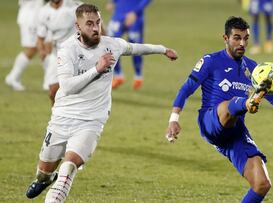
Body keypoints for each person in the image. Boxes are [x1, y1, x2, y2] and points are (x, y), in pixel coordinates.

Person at [25, 4, 178, 202]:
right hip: (62, 119)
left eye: (98, 22)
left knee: (69, 167)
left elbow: (135, 48)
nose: (95, 28)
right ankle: (45, 179)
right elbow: (68, 86)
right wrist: (96, 69)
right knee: (44, 172)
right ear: (77, 26)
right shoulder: (67, 49)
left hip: (91, 121)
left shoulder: (111, 45)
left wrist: (163, 50)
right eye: (89, 24)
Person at [165, 16, 273, 202]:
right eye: (237, 38)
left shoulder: (253, 68)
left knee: (262, 184)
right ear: (225, 38)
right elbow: (186, 88)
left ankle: (250, 102)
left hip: (234, 131)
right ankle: (248, 103)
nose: (242, 43)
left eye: (246, 38)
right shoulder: (210, 61)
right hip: (211, 120)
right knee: (233, 103)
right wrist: (174, 118)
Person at [37, 0, 81, 105]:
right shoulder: (44, 11)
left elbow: (96, 24)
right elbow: (40, 38)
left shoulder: (75, 7)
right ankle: (57, 119)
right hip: (57, 54)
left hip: (76, 54)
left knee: (76, 93)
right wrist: (42, 50)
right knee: (53, 92)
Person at [106, 0, 152, 90]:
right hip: (119, 14)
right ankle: (118, 75)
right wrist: (112, 1)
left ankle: (138, 76)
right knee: (110, 43)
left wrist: (135, 12)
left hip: (135, 16)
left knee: (135, 46)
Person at [5, 0, 45, 91]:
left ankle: (13, 77)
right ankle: (13, 77)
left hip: (35, 14)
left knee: (42, 46)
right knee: (33, 48)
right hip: (30, 17)